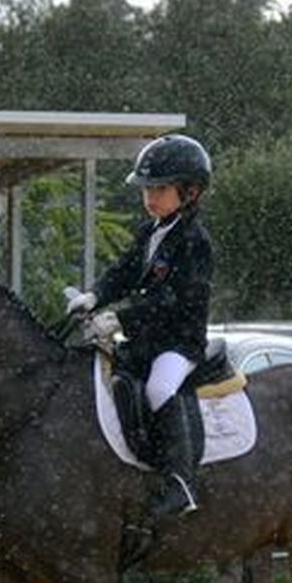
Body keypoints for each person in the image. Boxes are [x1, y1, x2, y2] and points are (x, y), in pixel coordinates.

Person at [68, 133, 215, 522]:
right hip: (145, 341)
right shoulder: (150, 232)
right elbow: (123, 274)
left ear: (190, 192)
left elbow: (172, 300)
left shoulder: (194, 241)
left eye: (160, 189)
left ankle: (181, 483)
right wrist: (95, 296)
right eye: (146, 189)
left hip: (179, 343)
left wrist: (120, 317)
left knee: (159, 389)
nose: (150, 197)